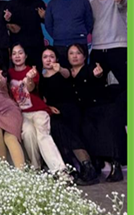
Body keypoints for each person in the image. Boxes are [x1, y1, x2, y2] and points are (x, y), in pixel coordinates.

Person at [40, 48, 99, 185]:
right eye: (45, 57)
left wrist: (60, 69)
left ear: (57, 59)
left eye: (51, 56)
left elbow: (67, 74)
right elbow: (42, 98)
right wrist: (48, 107)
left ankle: (87, 167)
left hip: (70, 109)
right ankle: (70, 168)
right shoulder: (41, 78)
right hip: (54, 112)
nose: (48, 59)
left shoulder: (63, 71)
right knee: (57, 129)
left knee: (68, 132)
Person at [68, 44, 125, 182]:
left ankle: (115, 167)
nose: (75, 56)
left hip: (101, 107)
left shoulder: (91, 69)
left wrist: (98, 75)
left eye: (78, 53)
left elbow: (97, 75)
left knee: (105, 125)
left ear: (84, 56)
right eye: (71, 53)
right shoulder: (67, 73)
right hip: (84, 111)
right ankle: (94, 164)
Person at [8, 43, 67, 174]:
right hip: (22, 113)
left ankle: (60, 170)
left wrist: (29, 79)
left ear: (26, 56)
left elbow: (30, 88)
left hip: (38, 110)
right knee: (28, 133)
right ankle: (36, 168)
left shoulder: (32, 71)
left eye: (20, 53)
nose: (17, 56)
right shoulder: (9, 73)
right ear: (11, 57)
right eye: (14, 53)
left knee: (42, 134)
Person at [44, 0, 93, 68]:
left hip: (80, 44)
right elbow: (48, 24)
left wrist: (80, 34)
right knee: (62, 73)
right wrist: (58, 36)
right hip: (60, 45)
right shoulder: (52, 4)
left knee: (81, 73)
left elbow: (89, 23)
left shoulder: (83, 2)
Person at [90, 0, 127, 88]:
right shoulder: (92, 4)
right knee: (95, 84)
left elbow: (123, 3)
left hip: (118, 47)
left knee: (126, 82)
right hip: (97, 49)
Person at [6, 0, 47, 70]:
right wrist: (8, 22)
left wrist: (44, 17)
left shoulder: (39, 3)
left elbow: (47, 22)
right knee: (17, 74)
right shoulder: (10, 4)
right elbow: (5, 24)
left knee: (36, 73)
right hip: (18, 47)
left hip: (36, 46)